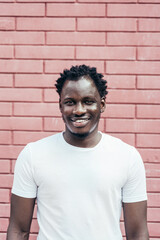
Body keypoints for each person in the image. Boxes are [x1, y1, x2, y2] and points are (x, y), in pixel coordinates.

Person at [7, 65, 149, 240]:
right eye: (70, 102)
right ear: (60, 106)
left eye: (88, 101)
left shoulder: (127, 157)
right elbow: (18, 230)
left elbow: (138, 234)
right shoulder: (33, 155)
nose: (79, 110)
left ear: (102, 104)